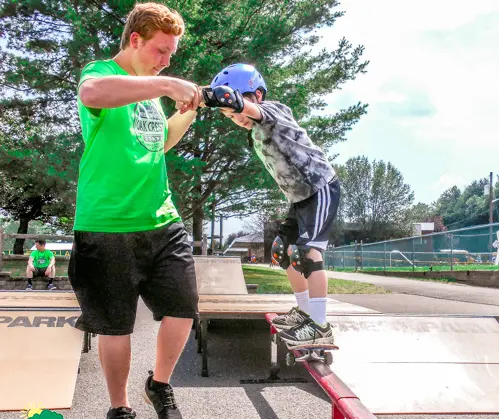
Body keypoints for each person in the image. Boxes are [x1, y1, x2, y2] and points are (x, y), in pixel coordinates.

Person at [71, 3, 201, 419]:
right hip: (106, 223)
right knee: (116, 327)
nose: (166, 62)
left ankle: (158, 385)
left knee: (184, 308)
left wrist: (187, 114)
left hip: (162, 219)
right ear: (135, 40)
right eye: (161, 52)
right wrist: (165, 86)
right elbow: (91, 94)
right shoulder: (100, 73)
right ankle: (120, 408)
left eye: (171, 56)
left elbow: (156, 143)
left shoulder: (150, 94)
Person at [202, 64, 340, 346]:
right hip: (300, 198)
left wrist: (231, 101)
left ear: (257, 94)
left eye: (237, 109)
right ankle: (304, 313)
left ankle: (320, 326)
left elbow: (255, 111)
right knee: (281, 251)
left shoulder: (275, 111)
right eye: (229, 116)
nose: (236, 117)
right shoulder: (254, 132)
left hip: (321, 187)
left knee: (308, 253)